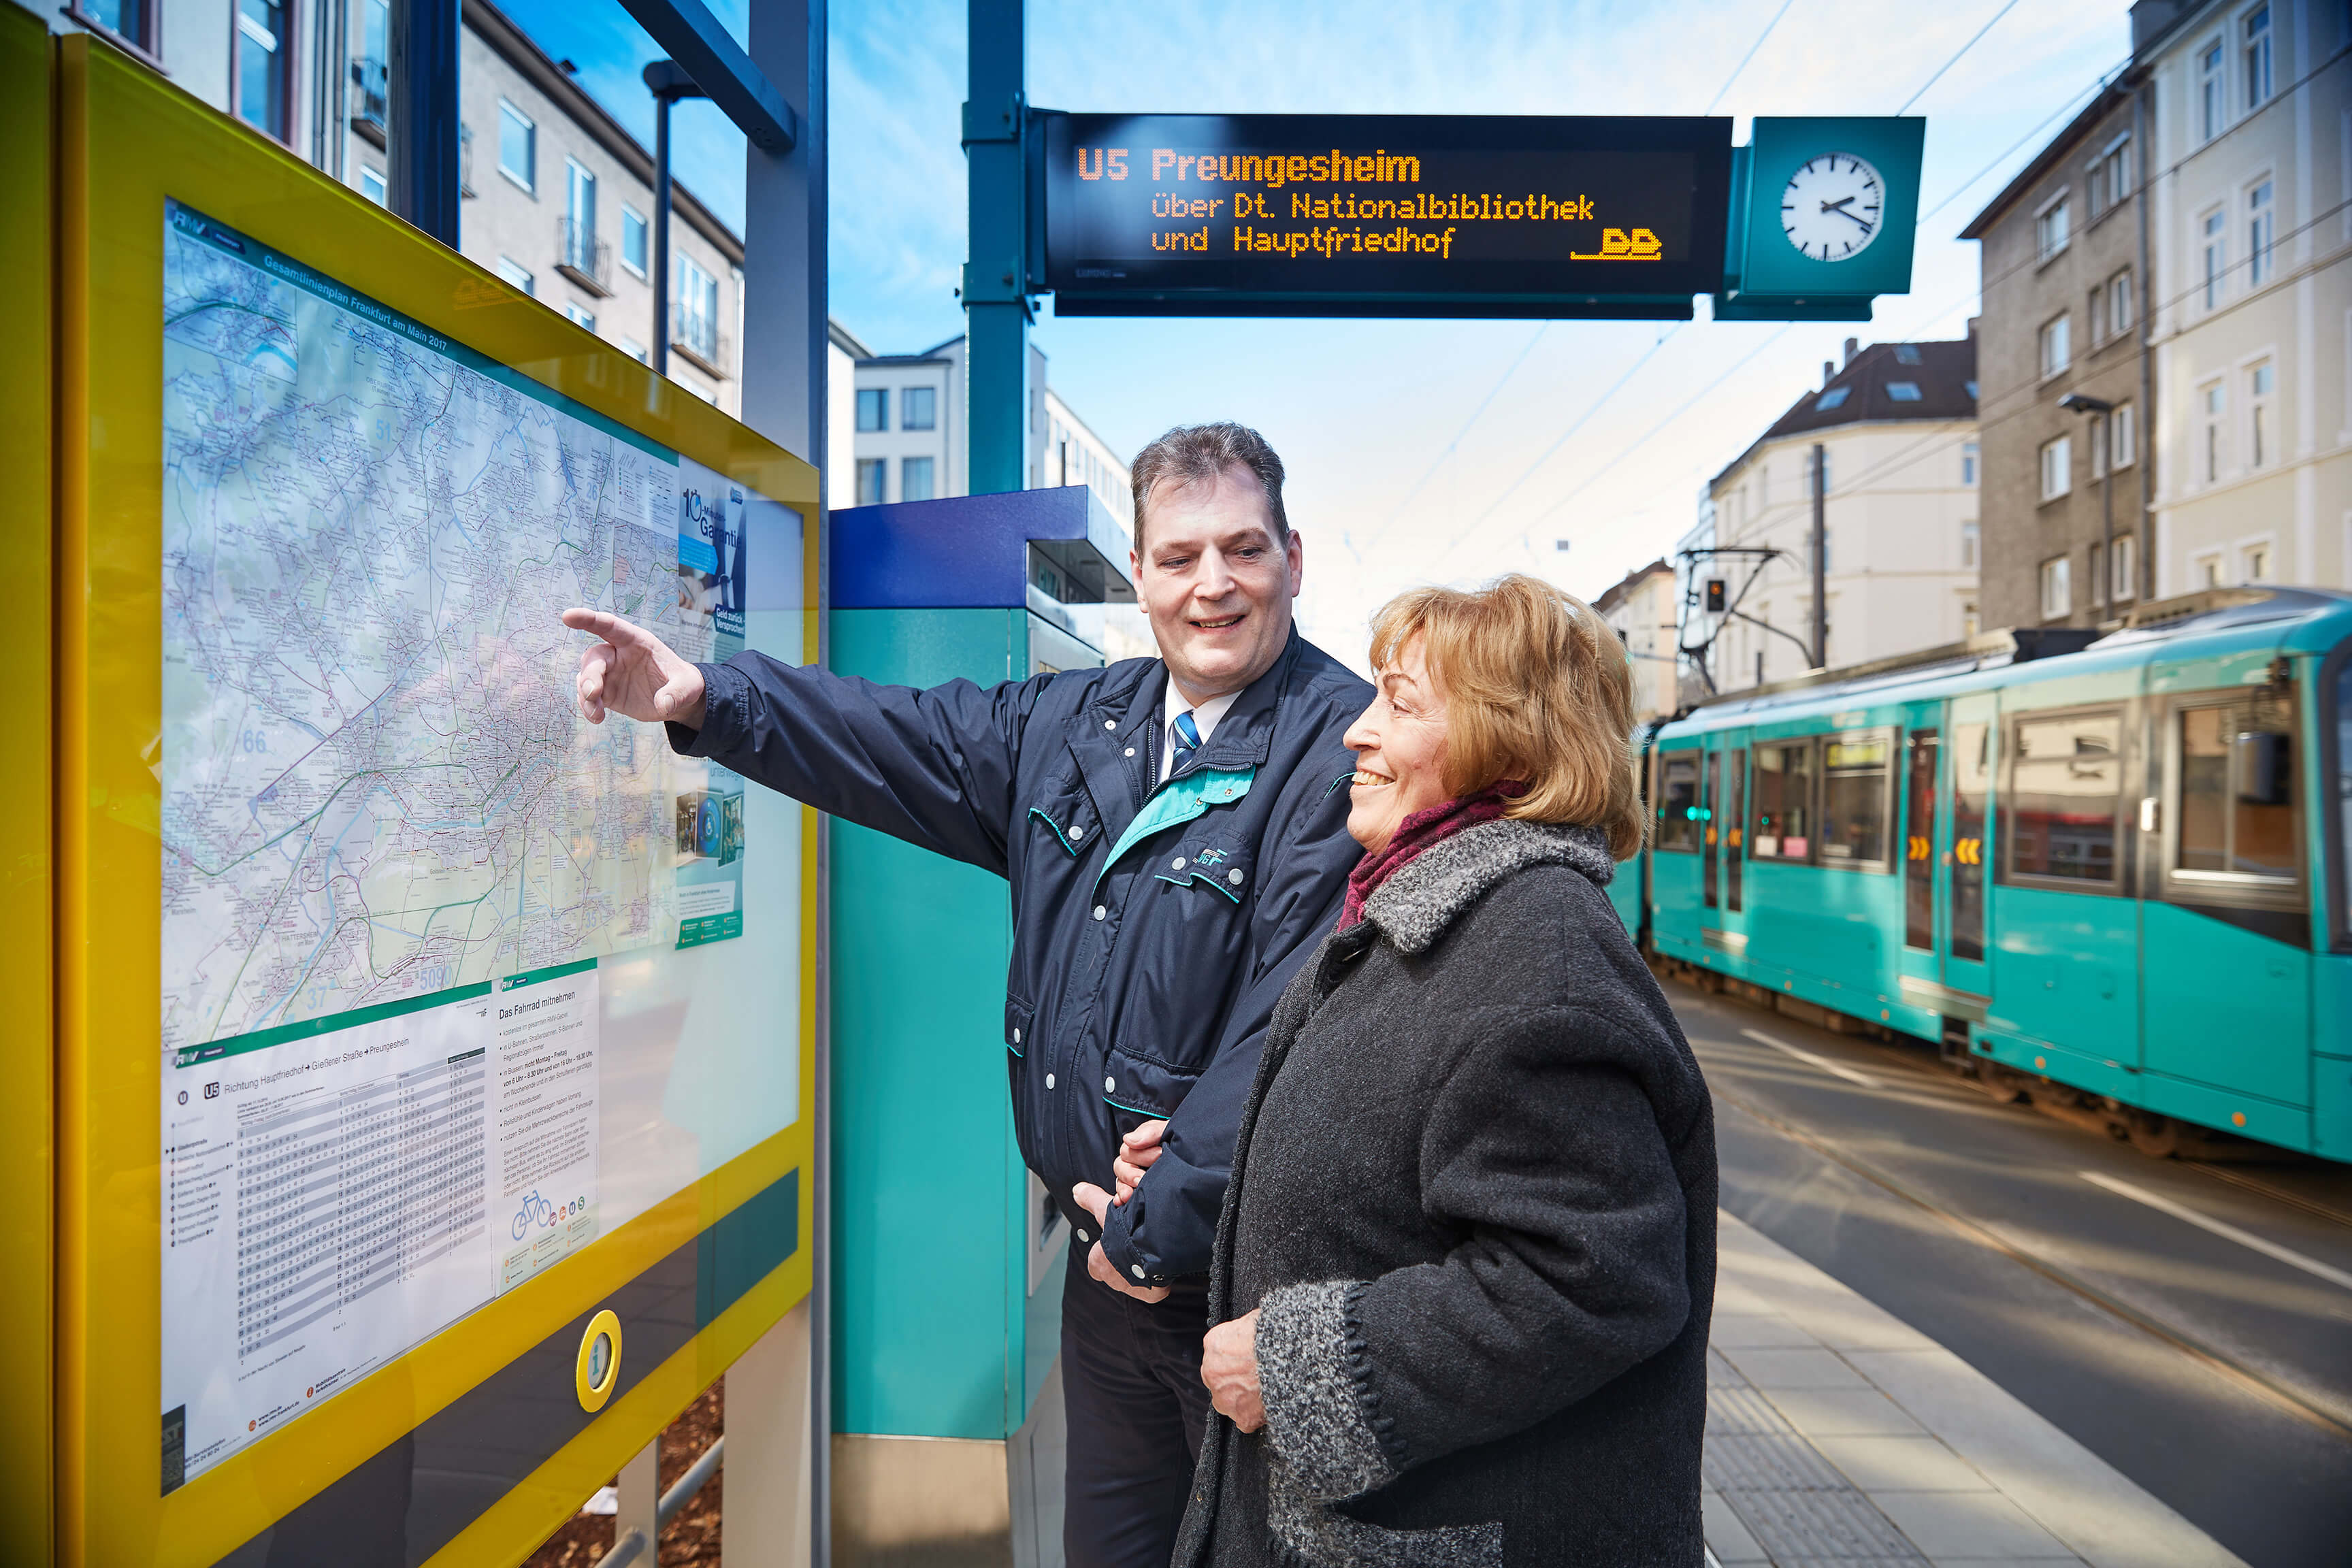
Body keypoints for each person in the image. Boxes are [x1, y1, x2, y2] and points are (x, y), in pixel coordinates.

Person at [561, 423, 1372, 1568]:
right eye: (1181, 556)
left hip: (1239, 1296)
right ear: (1138, 573)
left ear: (1292, 554)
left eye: (1243, 550)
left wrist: (1156, 1228)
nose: (1214, 586)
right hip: (1105, 1279)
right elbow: (893, 739)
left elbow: (1286, 1034)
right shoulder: (1076, 724)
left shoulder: (1342, 755)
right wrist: (702, 698)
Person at [1161, 573, 1717, 1568]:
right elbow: (1392, 1146)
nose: (1355, 733)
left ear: (1506, 740)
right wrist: (1221, 1167)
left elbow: (1594, 1277)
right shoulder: (1438, 915)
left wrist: (1295, 1372)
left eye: (1399, 702)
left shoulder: (1538, 954)